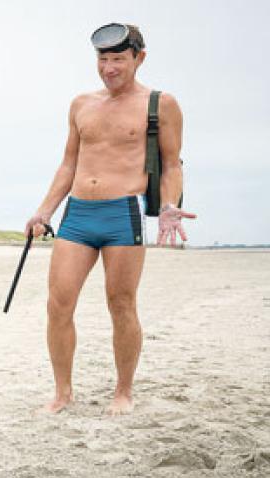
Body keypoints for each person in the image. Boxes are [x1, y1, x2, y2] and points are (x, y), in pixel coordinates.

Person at [25, 23, 197, 415]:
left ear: (139, 58)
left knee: (121, 304)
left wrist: (168, 206)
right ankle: (63, 393)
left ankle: (123, 392)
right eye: (103, 59)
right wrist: (44, 210)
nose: (109, 68)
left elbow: (171, 164)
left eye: (118, 59)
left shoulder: (161, 104)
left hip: (124, 213)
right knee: (58, 304)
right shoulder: (81, 104)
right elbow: (68, 163)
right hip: (78, 213)